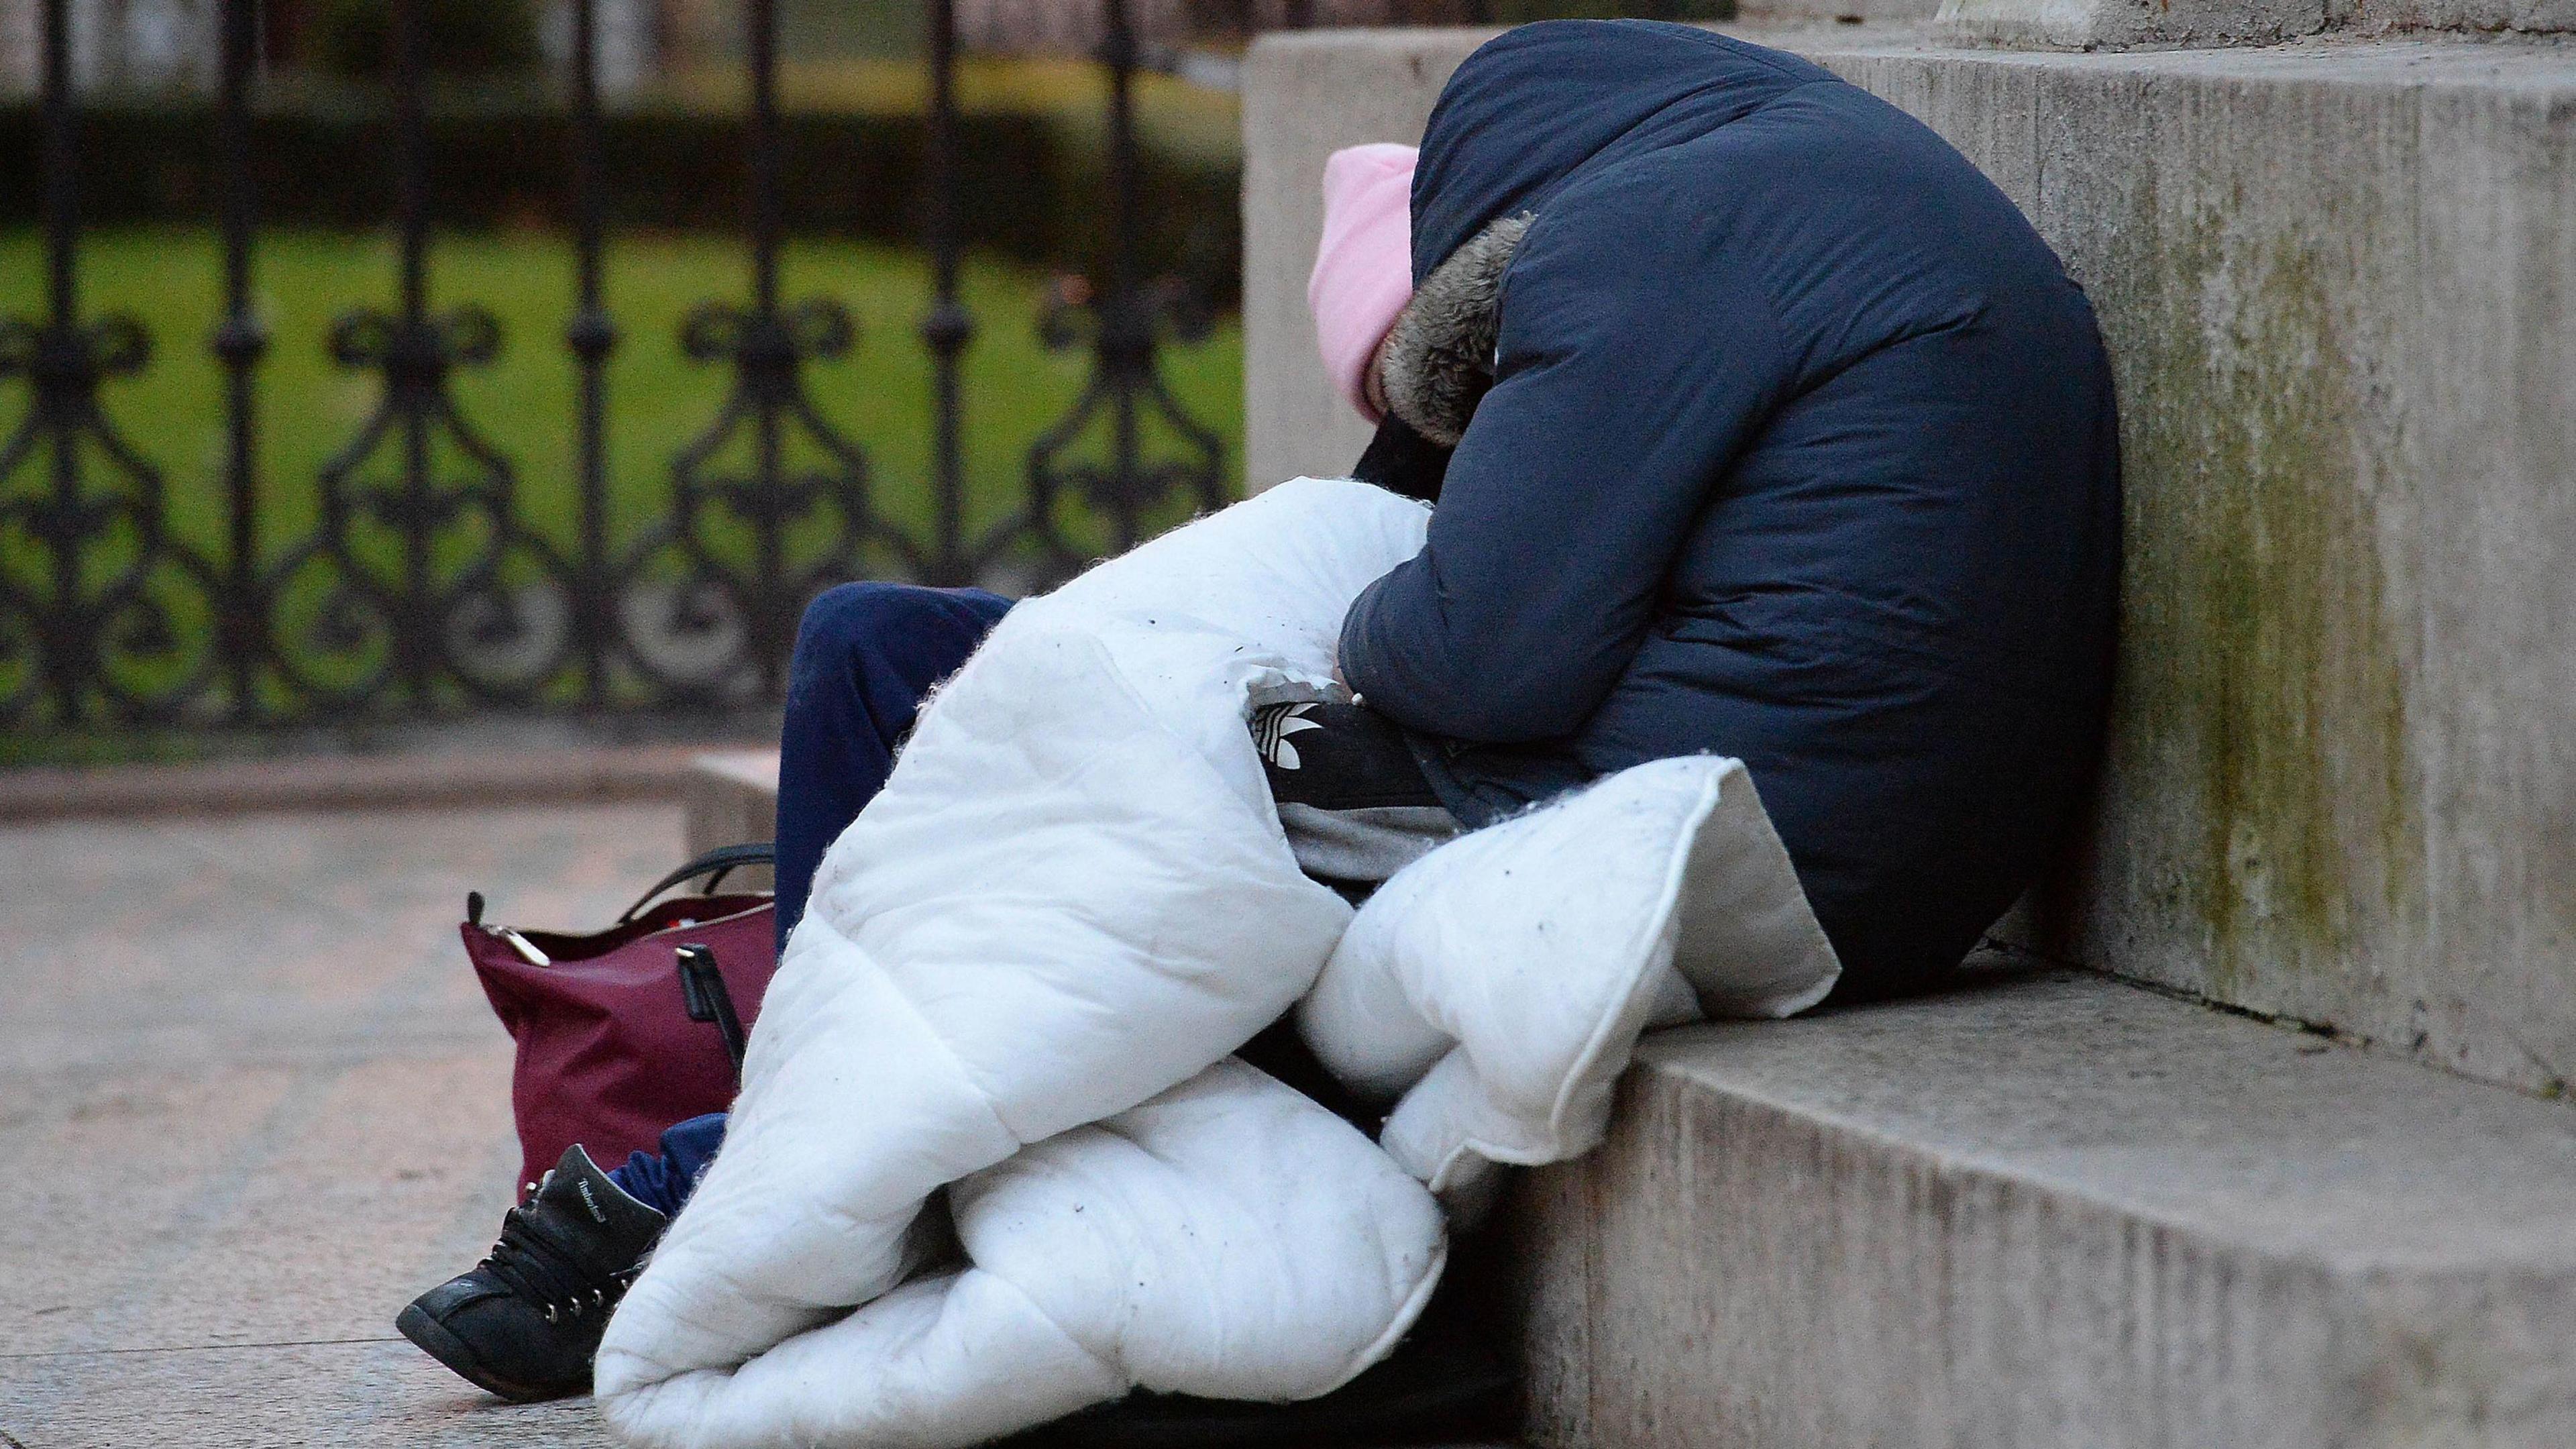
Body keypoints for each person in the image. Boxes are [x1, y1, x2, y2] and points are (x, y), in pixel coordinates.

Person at [400, 14, 2121, 1414]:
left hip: (1749, 825)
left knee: (1119, 839)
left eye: (1455, 390)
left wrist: (1330, 620)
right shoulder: (1777, 194)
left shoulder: (1650, 239)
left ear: (1479, 270)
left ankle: (710, 1183)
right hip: (1843, 820)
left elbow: (1473, 658)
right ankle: (813, 1095)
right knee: (885, 647)